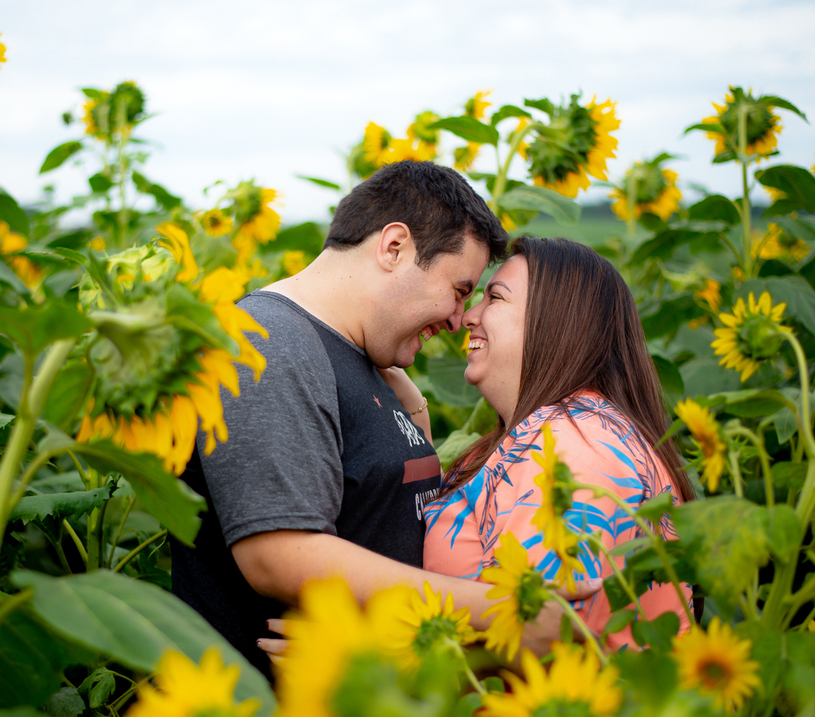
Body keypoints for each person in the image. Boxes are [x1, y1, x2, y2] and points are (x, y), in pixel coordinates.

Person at [171, 162, 598, 678]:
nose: (462, 319)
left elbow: (379, 514)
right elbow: (278, 553)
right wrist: (496, 611)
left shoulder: (361, 357)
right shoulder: (269, 342)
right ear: (394, 247)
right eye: (461, 290)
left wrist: (413, 417)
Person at [413, 236, 695, 649]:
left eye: (495, 297)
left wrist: (371, 647)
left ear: (557, 321)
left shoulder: (572, 447)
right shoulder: (553, 433)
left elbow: (549, 634)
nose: (468, 316)